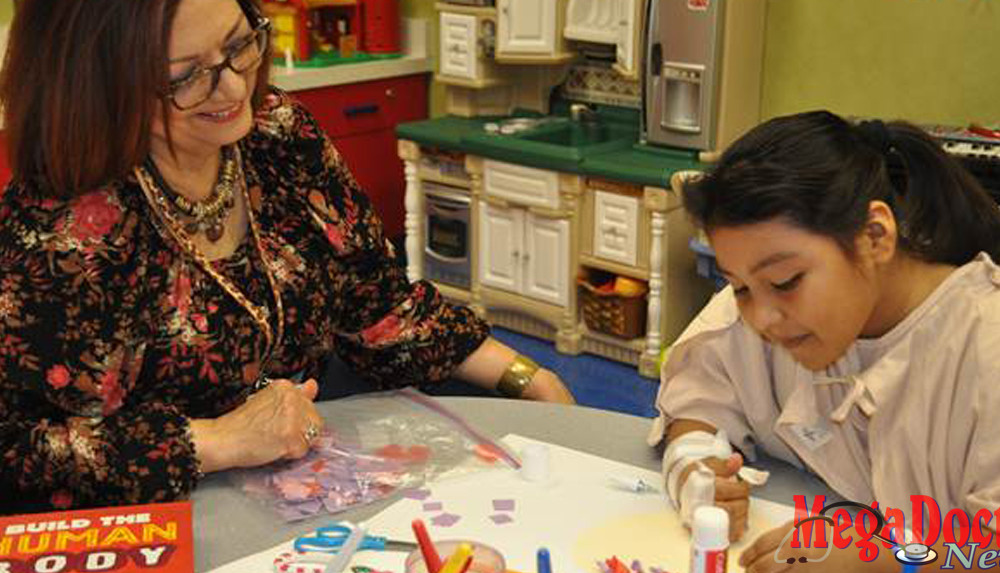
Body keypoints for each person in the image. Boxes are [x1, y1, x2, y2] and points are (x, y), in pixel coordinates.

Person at [0, 0, 574, 515]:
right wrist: (220, 440)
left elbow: (375, 302)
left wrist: (529, 377)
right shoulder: (62, 226)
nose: (232, 89)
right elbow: (18, 447)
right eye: (185, 77)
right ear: (101, 86)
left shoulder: (278, 133)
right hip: (154, 521)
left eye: (238, 45)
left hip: (296, 485)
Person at [649, 111, 1000, 573]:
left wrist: (882, 563)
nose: (762, 316)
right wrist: (694, 470)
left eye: (786, 281)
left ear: (875, 236)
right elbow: (700, 399)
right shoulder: (766, 302)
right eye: (740, 286)